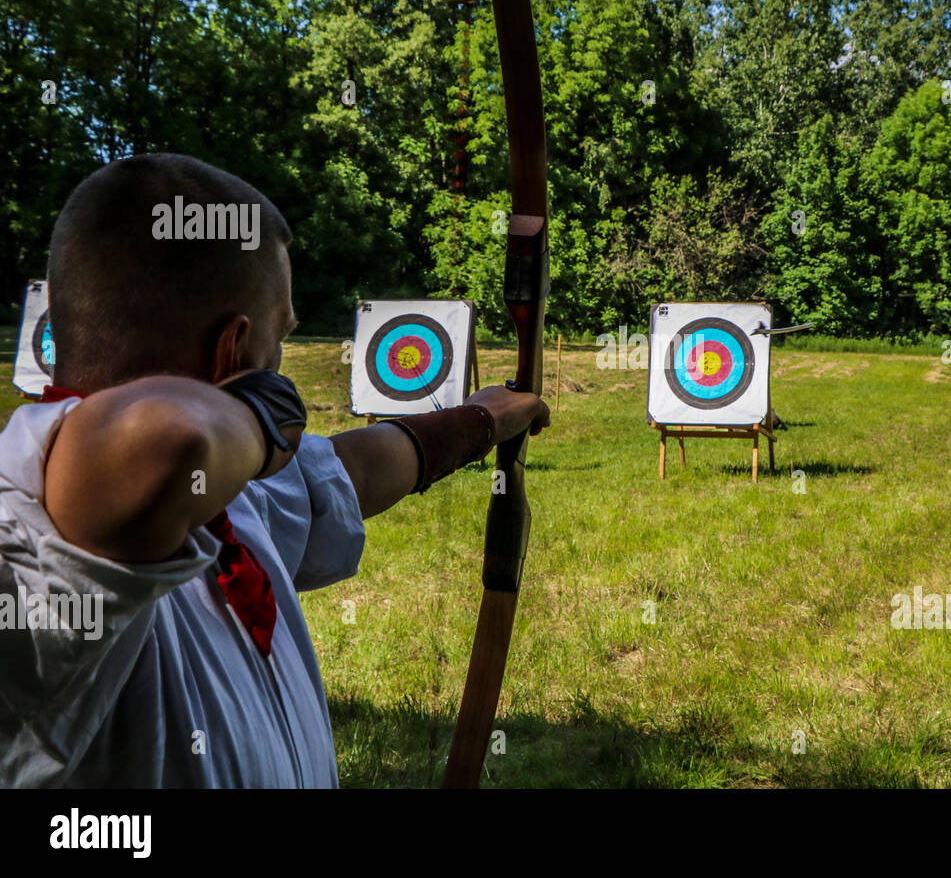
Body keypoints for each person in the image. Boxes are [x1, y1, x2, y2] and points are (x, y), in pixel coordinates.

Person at [0, 153, 549, 787]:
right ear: (232, 349)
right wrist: (267, 406)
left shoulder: (226, 489)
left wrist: (482, 419)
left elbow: (346, 473)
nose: (281, 357)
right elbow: (165, 440)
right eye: (279, 334)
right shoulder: (32, 520)